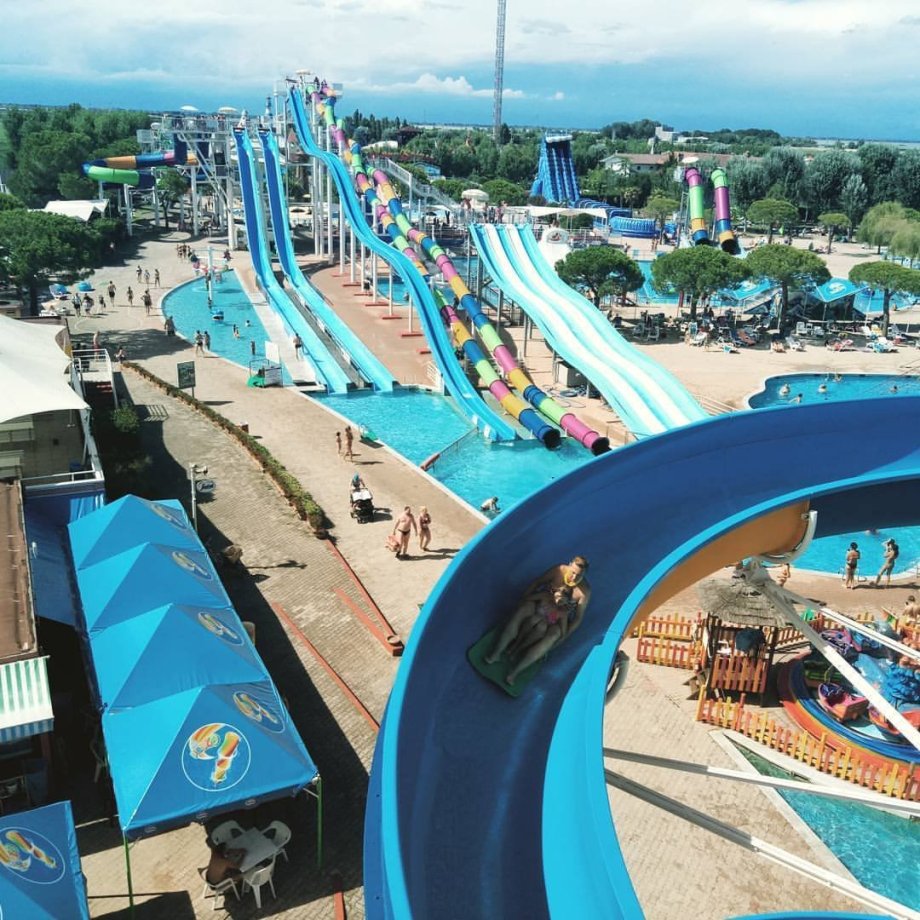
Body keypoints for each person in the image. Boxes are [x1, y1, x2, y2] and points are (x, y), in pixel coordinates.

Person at [485, 557, 591, 685]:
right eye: (573, 572)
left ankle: (515, 672)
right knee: (523, 610)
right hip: (542, 603)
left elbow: (578, 618)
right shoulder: (558, 571)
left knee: (552, 636)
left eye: (579, 576)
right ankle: (496, 654)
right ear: (569, 565)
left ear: (584, 575)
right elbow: (537, 583)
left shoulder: (583, 592)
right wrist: (523, 600)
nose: (574, 578)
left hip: (556, 617)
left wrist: (563, 638)